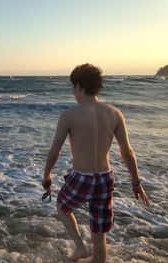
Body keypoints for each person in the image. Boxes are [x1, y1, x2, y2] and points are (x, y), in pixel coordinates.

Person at [41, 63, 151, 263]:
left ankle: (80, 248)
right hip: (105, 179)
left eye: (73, 87)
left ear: (79, 87)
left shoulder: (69, 115)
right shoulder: (114, 113)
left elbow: (54, 152)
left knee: (63, 207)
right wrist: (136, 182)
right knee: (99, 231)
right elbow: (127, 151)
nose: (73, 92)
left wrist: (47, 175)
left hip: (82, 178)